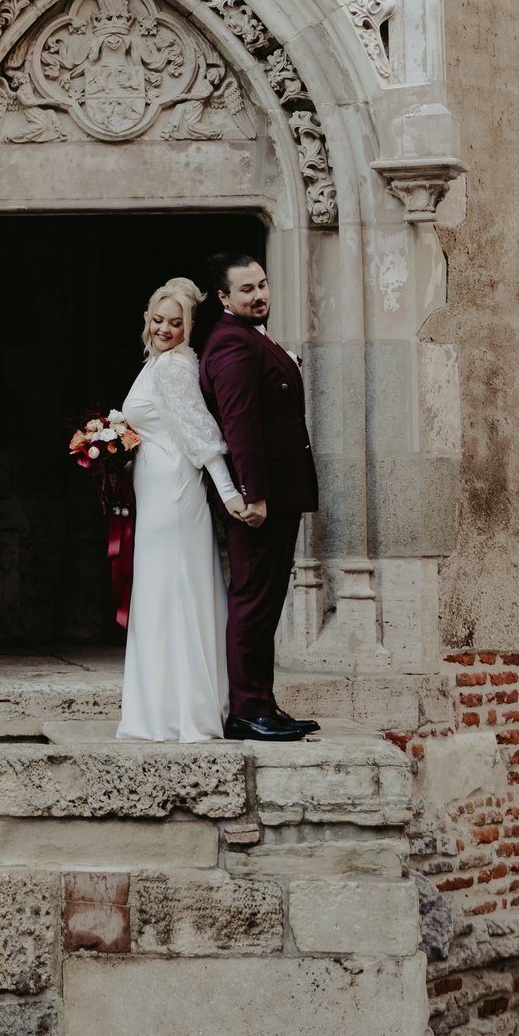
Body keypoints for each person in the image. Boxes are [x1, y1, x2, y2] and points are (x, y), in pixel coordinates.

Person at [198, 252, 321, 742]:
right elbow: (239, 424)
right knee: (252, 600)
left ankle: (263, 702)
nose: (259, 295)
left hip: (279, 492)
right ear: (225, 298)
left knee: (267, 601)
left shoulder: (253, 336)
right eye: (246, 290)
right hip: (259, 500)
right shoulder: (231, 344)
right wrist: (252, 494)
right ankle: (247, 711)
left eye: (263, 284)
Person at [115, 278, 244, 744]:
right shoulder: (156, 363)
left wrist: (228, 492)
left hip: (173, 493)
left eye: (175, 322)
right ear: (145, 320)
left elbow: (201, 434)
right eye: (158, 320)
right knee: (160, 594)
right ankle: (163, 708)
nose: (165, 329)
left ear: (189, 326)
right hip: (156, 490)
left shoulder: (174, 367)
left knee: (171, 594)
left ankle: (180, 714)